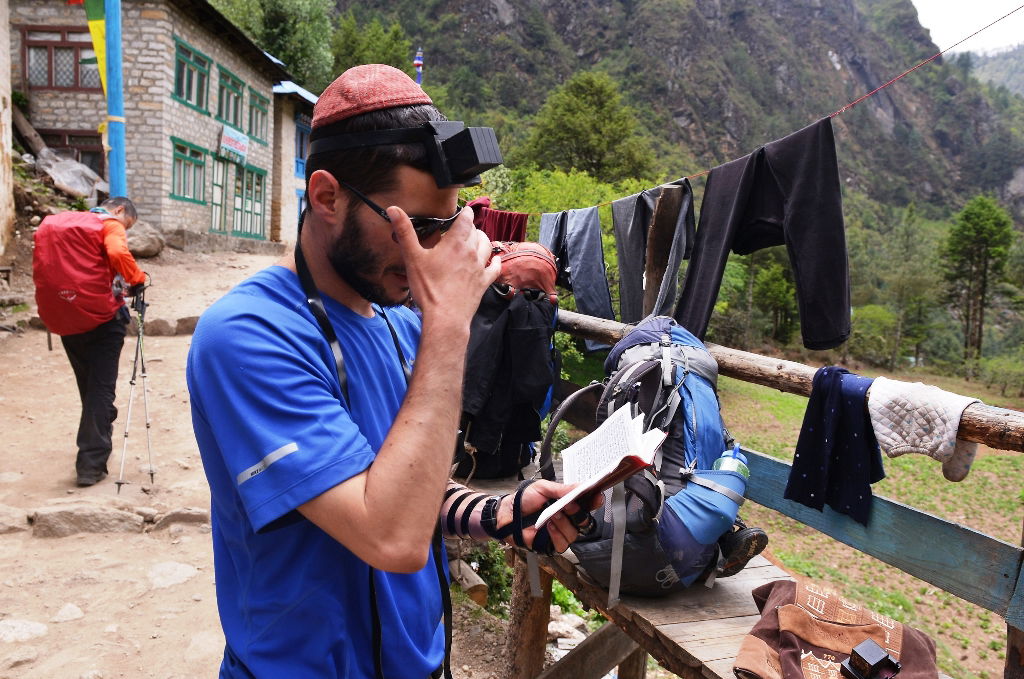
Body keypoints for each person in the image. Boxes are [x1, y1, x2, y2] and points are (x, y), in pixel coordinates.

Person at [186, 64, 594, 679]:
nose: (431, 255)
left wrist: (500, 512)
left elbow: (408, 485)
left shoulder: (404, 325)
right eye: (417, 228)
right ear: (327, 197)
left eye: (447, 228)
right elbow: (391, 537)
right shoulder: (249, 337)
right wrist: (452, 325)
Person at [33, 196, 146, 487]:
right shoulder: (109, 224)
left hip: (64, 317)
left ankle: (102, 424)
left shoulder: (61, 224)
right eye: (128, 225)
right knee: (100, 389)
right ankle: (90, 464)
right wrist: (136, 279)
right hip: (103, 319)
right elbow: (118, 252)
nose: (126, 230)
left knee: (89, 386)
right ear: (119, 210)